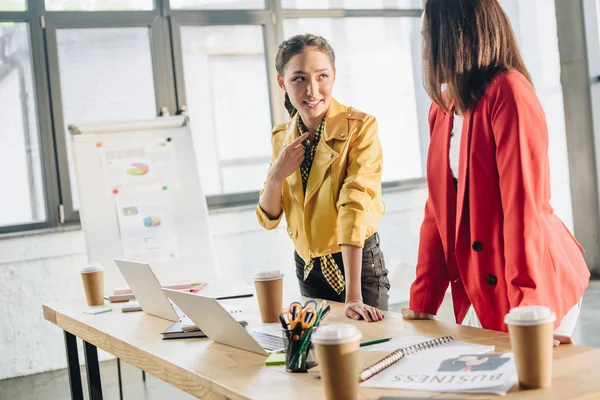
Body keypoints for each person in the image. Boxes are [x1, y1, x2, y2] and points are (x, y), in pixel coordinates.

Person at [403, 0, 590, 343]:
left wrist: (531, 310)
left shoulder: (509, 92)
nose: (426, 53)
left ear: (461, 36)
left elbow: (523, 209)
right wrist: (424, 298)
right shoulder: (442, 109)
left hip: (532, 283)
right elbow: (437, 210)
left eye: (432, 37)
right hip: (481, 282)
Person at [256, 34, 390, 322]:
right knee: (319, 355)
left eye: (322, 76)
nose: (312, 90)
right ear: (282, 82)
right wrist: (276, 175)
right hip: (307, 265)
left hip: (357, 265)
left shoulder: (361, 127)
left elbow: (354, 206)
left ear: (334, 76)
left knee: (368, 352)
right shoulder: (282, 136)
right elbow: (269, 215)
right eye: (299, 79)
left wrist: (354, 296)